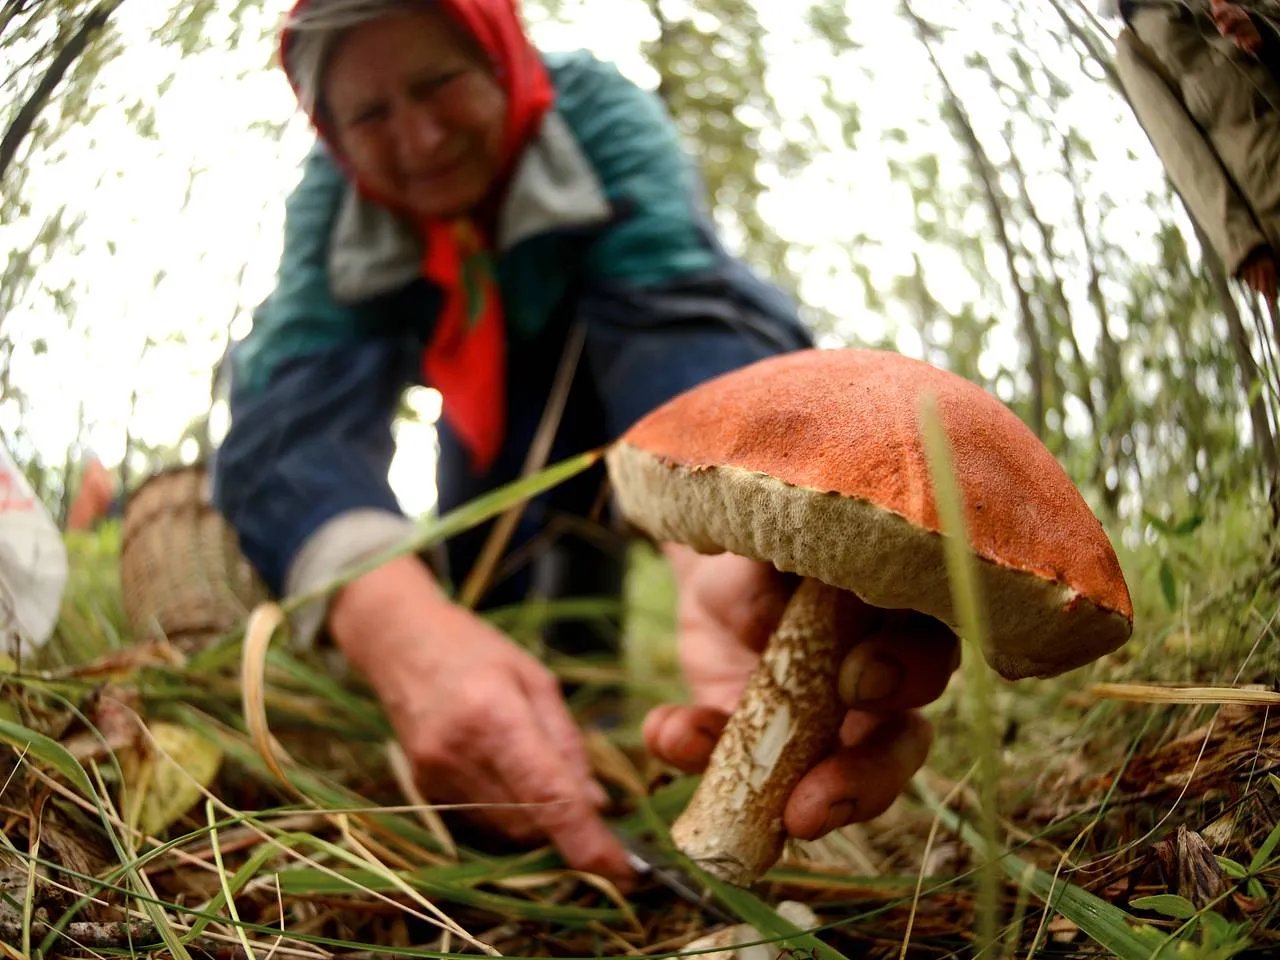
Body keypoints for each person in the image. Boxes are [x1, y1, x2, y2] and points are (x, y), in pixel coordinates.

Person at [211, 0, 959, 886]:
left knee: (581, 544)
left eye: (439, 82)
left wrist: (734, 542)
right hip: (480, 425)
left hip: (614, 402)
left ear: (499, 56)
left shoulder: (597, 117)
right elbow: (296, 404)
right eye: (368, 114)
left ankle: (599, 731)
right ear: (330, 130)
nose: (415, 137)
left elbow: (677, 318)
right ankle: (538, 753)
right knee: (490, 585)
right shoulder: (333, 200)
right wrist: (397, 629)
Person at [1111, 0, 1280, 300]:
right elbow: (1181, 151)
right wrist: (1241, 243)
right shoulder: (1134, 45)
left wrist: (1260, 31)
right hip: (1269, 191)